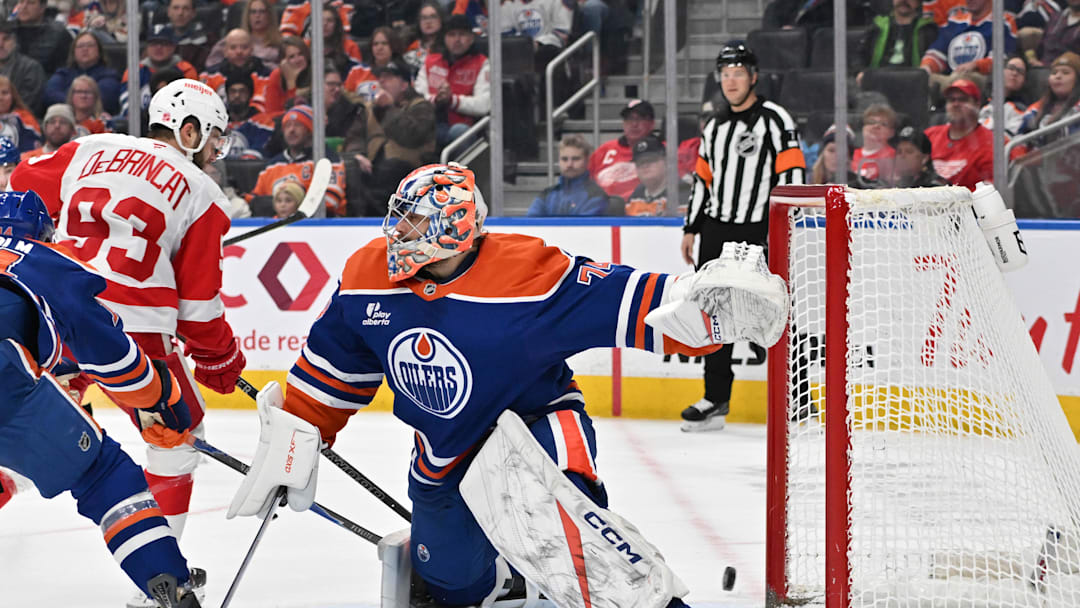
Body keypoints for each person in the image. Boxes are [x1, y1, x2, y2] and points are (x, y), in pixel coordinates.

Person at [227, 162, 789, 608]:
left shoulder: (529, 272)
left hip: (535, 429)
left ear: (454, 228)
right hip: (444, 455)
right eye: (398, 217)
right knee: (451, 587)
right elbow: (332, 371)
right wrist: (298, 435)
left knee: (574, 546)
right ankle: (513, 574)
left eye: (414, 223)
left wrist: (706, 311)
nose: (396, 231)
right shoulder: (366, 275)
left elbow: (640, 303)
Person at [9, 78, 246, 608]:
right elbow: (199, 309)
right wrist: (220, 361)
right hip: (132, 333)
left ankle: (14, 472)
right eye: (211, 139)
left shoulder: (91, 146)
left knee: (31, 426)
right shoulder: (203, 193)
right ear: (188, 131)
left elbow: (23, 181)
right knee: (178, 435)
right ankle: (165, 582)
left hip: (53, 312)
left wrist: (57, 232)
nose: (212, 153)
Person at [0, 190, 204, 608]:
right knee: (104, 475)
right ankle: (169, 584)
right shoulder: (43, 260)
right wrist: (160, 396)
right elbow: (115, 360)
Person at [681, 41, 805, 432]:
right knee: (713, 312)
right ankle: (716, 398)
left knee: (776, 309)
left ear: (753, 77)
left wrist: (783, 228)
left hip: (759, 229)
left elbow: (792, 177)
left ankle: (799, 402)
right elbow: (703, 180)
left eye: (738, 72)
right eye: (724, 73)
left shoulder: (776, 119)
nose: (730, 80)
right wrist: (691, 228)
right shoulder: (714, 125)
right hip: (717, 229)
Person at [414, 14, 490, 149]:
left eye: (462, 34)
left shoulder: (482, 63)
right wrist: (436, 99)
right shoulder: (430, 62)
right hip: (431, 124)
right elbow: (417, 97)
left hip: (466, 126)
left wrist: (452, 100)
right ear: (444, 39)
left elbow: (484, 105)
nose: (457, 40)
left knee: (458, 131)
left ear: (471, 39)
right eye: (451, 35)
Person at [924, 77, 995, 189]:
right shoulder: (929, 135)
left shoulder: (991, 142)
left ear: (977, 104)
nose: (956, 104)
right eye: (951, 100)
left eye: (963, 100)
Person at [589, 99, 656, 202]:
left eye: (641, 119)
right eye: (629, 119)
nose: (634, 124)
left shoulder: (663, 151)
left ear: (652, 124)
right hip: (603, 210)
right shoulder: (605, 150)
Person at [527, 133, 609, 216]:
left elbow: (583, 228)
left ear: (587, 161)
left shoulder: (596, 196)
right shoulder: (546, 195)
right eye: (564, 159)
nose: (569, 164)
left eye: (576, 159)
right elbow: (530, 226)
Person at [857, 0, 938, 84]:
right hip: (878, 81)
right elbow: (859, 55)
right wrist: (860, 72)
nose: (904, 1)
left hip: (912, 83)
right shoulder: (877, 26)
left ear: (918, 2)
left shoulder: (927, 29)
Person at [44, 30, 123, 115]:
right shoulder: (63, 73)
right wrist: (79, 102)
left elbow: (103, 99)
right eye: (80, 46)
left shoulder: (110, 75)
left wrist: (71, 98)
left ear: (99, 51)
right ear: (73, 52)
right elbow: (49, 95)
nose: (85, 49)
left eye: (90, 45)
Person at [1019, 50, 1080, 144]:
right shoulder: (1034, 110)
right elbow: (1020, 144)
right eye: (1054, 73)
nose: (1058, 76)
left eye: (1065, 73)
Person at [205, 0, 282, 70]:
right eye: (253, 12)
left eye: (262, 11)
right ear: (247, 16)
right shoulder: (234, 38)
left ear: (270, 15)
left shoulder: (280, 43)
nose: (257, 15)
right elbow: (211, 64)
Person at [13, 0, 72, 74]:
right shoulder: (7, 30)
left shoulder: (59, 34)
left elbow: (66, 69)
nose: (24, 7)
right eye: (21, 2)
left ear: (42, 8)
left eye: (31, 3)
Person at [978, 52, 1030, 135]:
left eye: (1020, 72)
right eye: (1011, 68)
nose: (1015, 73)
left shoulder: (1022, 110)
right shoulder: (983, 102)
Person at [0, 21, 45, 116]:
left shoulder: (31, 68)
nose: (0, 44)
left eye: (6, 39)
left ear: (15, 41)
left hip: (18, 122)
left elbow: (26, 104)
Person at [624, 135, 675, 216]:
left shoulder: (681, 192)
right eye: (640, 163)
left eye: (651, 160)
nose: (645, 166)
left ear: (666, 162)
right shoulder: (635, 198)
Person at [263, 35, 311, 114]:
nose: (297, 60)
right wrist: (291, 82)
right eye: (292, 57)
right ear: (283, 62)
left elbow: (300, 111)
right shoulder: (277, 75)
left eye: (300, 54)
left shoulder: (315, 71)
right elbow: (271, 113)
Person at [852, 103, 897, 185]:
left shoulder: (895, 157)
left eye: (883, 124)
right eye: (871, 122)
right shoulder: (851, 155)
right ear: (863, 127)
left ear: (892, 132)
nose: (876, 126)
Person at [0, 75, 42, 153]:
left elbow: (32, 150)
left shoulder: (25, 118)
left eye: (4, 93)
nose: (0, 97)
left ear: (13, 96)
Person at [404, 0, 446, 75]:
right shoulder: (412, 47)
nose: (428, 22)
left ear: (441, 19)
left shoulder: (448, 46)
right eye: (424, 18)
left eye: (433, 17)